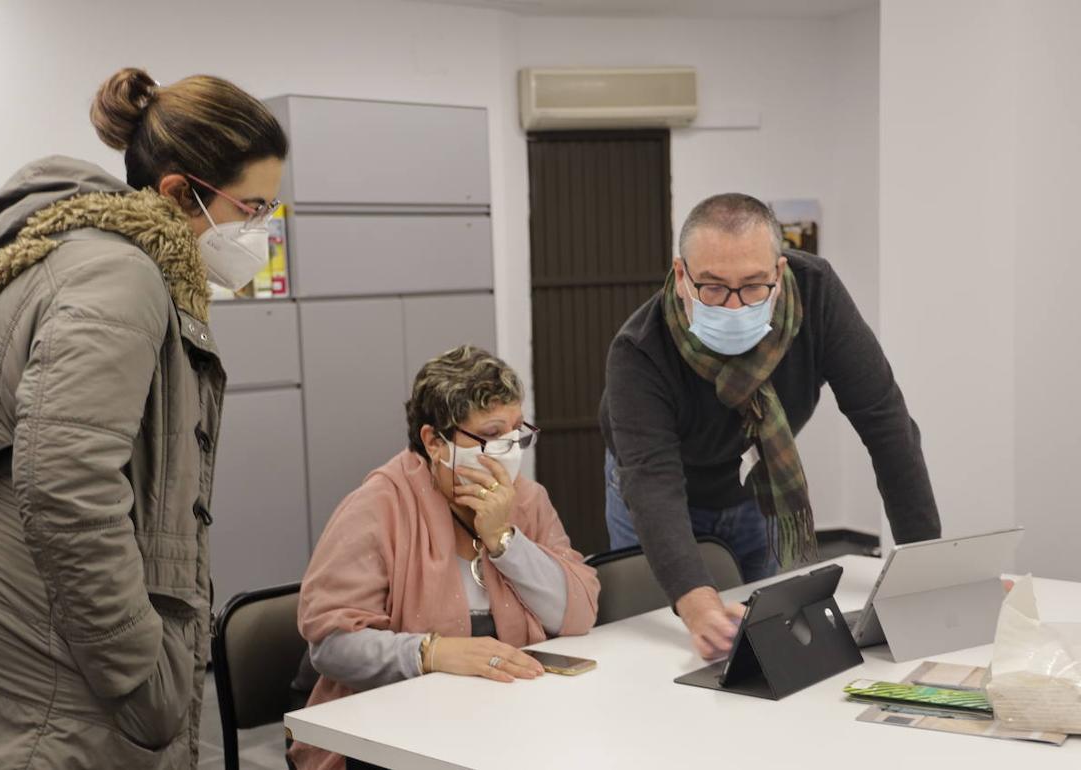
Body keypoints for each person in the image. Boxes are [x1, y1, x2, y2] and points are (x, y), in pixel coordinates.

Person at [0, 68, 288, 769]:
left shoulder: (74, 255)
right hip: (44, 670)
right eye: (250, 209)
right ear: (178, 192)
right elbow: (65, 482)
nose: (262, 232)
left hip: (19, 640)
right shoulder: (119, 276)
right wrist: (140, 672)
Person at [601, 193, 940, 661]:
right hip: (651, 488)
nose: (736, 306)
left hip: (752, 485)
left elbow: (885, 424)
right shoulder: (639, 350)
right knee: (670, 642)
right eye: (714, 287)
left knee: (767, 642)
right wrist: (696, 603)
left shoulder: (817, 295)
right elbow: (651, 482)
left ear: (780, 273)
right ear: (681, 275)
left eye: (755, 285)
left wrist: (928, 573)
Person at [292, 346, 600, 770]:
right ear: (434, 441)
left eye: (517, 431)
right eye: (492, 436)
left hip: (508, 720)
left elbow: (578, 613)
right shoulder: (377, 507)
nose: (510, 449)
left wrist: (504, 540)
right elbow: (330, 647)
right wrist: (431, 653)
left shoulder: (526, 500)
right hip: (388, 739)